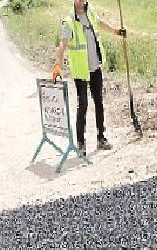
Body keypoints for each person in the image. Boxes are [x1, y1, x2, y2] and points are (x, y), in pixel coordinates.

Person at [52, 0, 126, 156]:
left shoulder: (90, 10)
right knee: (83, 105)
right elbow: (63, 44)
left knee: (99, 102)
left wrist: (115, 31)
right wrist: (57, 65)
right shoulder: (69, 21)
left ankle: (101, 137)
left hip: (95, 67)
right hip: (80, 71)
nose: (80, 1)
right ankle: (80, 143)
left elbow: (99, 23)